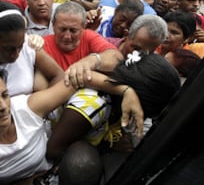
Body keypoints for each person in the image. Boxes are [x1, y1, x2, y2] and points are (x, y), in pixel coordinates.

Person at [0, 65, 142, 185]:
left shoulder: (26, 108)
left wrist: (126, 91)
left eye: (5, 95)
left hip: (61, 184)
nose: (3, 106)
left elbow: (78, 79)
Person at [47, 51, 181, 162]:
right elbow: (54, 151)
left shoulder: (118, 102)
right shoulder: (92, 105)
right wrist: (107, 147)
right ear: (143, 101)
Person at [0, 1, 64, 96]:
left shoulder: (29, 48)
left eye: (20, 47)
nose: (16, 54)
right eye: (8, 49)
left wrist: (39, 105)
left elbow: (59, 76)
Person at [43, 1, 122, 72]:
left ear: (83, 27)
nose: (67, 36)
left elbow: (117, 58)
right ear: (53, 25)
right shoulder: (43, 45)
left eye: (73, 31)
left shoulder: (89, 36)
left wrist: (93, 61)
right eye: (62, 29)